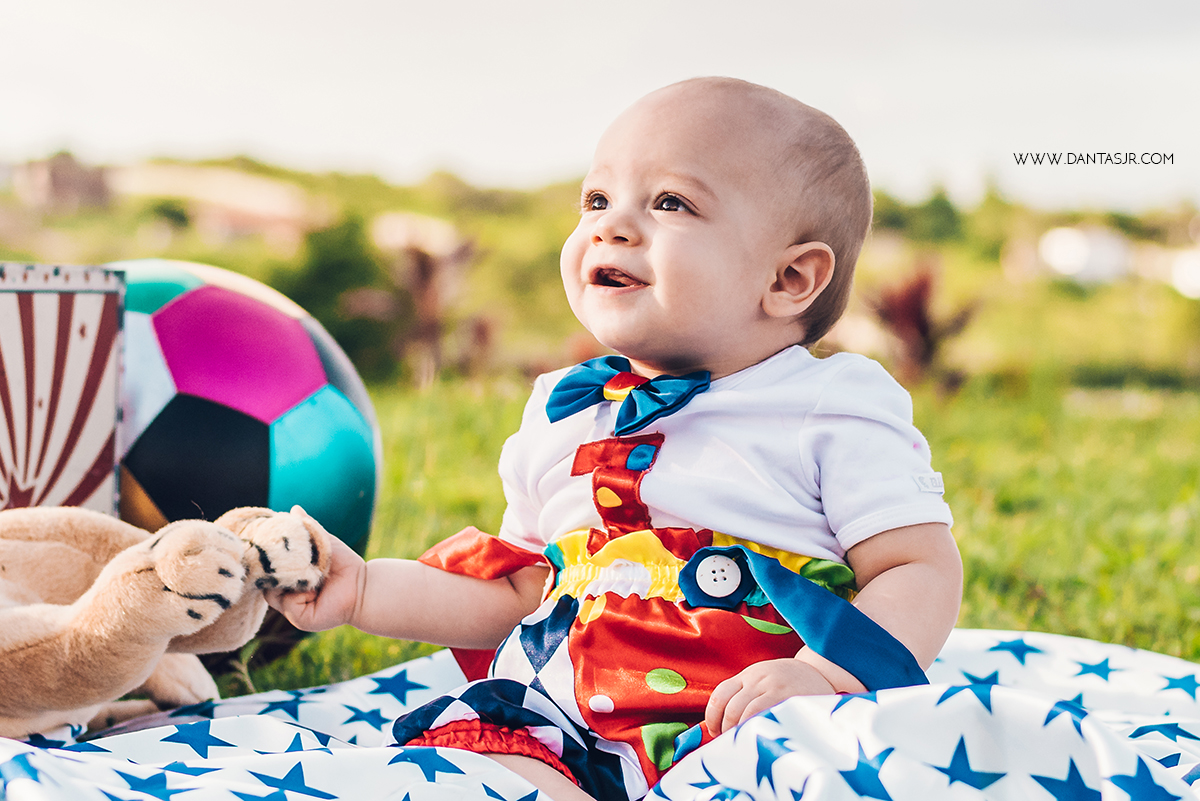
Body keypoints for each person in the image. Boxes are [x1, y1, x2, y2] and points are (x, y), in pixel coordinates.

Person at [269, 76, 962, 801]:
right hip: (561, 724)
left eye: (670, 203)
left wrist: (828, 678)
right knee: (465, 773)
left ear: (789, 278)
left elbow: (916, 567)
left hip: (744, 722)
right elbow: (519, 589)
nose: (611, 226)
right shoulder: (563, 412)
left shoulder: (827, 404)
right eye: (597, 200)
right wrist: (364, 590)